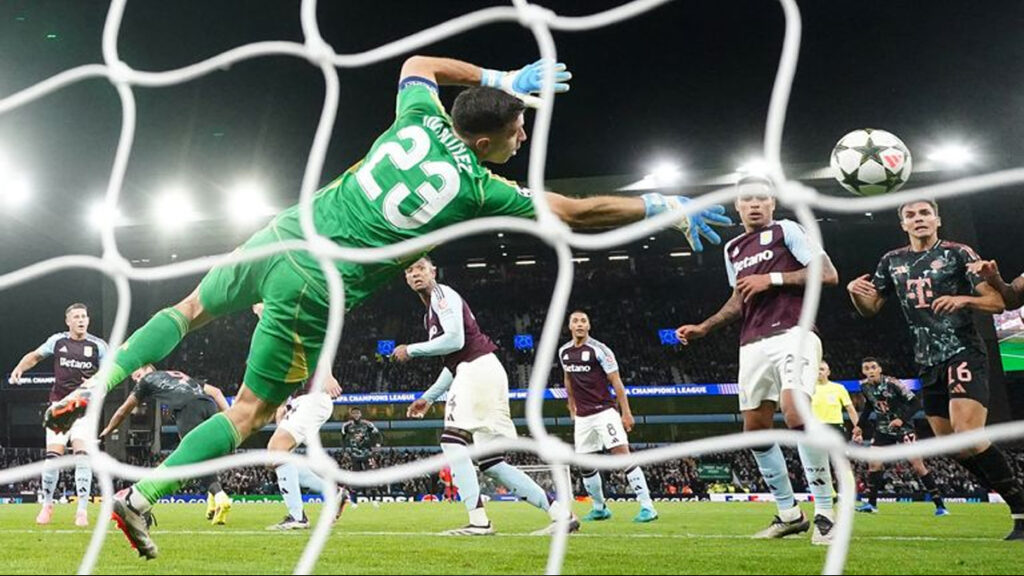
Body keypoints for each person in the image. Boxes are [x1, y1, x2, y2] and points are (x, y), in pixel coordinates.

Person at [45, 55, 730, 559]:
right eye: (519, 130)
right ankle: (140, 498)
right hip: (315, 287)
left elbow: (417, 64)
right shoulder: (482, 189)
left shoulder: (419, 116)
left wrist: (499, 77)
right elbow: (575, 213)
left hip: (282, 233)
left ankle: (101, 383)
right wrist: (657, 207)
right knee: (249, 413)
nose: (523, 138)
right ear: (486, 143)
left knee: (190, 306)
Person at [675, 175, 840, 545]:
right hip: (751, 342)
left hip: (794, 332)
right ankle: (789, 514)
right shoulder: (732, 248)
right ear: (737, 206)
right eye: (747, 199)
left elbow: (828, 274)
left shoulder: (787, 230)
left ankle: (826, 513)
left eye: (761, 199)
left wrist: (773, 279)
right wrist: (705, 327)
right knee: (755, 429)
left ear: (772, 203)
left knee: (796, 413)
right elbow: (739, 298)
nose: (754, 204)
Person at [847, 199, 1023, 540]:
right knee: (950, 445)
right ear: (903, 224)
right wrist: (855, 293)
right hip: (927, 361)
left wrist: (963, 299)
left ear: (937, 219)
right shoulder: (891, 261)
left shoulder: (958, 253)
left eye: (925, 213)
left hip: (963, 352)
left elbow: (998, 302)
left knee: (967, 433)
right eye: (910, 215)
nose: (919, 219)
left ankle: (1020, 507)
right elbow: (870, 309)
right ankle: (1017, 501)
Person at [399, 256, 578, 535]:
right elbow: (454, 362)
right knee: (492, 463)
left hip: (477, 369)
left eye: (421, 268)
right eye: (409, 271)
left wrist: (411, 350)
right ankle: (561, 514)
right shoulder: (430, 312)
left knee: (452, 441)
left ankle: (479, 521)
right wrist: (429, 397)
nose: (415, 274)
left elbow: (455, 340)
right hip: (482, 370)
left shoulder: (442, 295)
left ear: (433, 271)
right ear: (406, 279)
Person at [9, 303, 107, 527]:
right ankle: (47, 505)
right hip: (59, 407)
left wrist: (98, 382)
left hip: (84, 408)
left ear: (88, 320)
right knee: (53, 458)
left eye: (84, 316)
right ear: (68, 321)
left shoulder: (98, 346)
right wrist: (20, 368)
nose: (81, 320)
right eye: (76, 317)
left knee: (82, 456)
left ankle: (82, 510)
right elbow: (35, 356)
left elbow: (111, 370)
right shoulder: (58, 341)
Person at [100, 365, 234, 524]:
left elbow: (124, 410)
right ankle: (212, 501)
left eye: (137, 375)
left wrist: (108, 429)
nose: (137, 380)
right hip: (208, 405)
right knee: (205, 456)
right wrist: (229, 417)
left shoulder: (147, 380)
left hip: (187, 410)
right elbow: (216, 392)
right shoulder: (180, 375)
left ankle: (220, 497)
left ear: (148, 368)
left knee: (194, 458)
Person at [559, 310, 657, 523]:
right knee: (585, 465)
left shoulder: (600, 350)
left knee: (622, 455)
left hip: (604, 412)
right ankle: (599, 507)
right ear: (570, 326)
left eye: (583, 321)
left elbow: (616, 381)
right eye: (575, 321)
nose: (579, 324)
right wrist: (571, 407)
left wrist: (626, 412)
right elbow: (568, 379)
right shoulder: (564, 352)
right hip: (583, 417)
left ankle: (647, 506)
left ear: (589, 326)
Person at [850, 357, 948, 516]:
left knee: (918, 466)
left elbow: (916, 403)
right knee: (874, 463)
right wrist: (859, 426)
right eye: (866, 368)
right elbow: (869, 406)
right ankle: (871, 504)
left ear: (880, 369)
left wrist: (901, 419)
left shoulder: (893, 383)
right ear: (863, 371)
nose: (870, 371)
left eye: (873, 367)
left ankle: (940, 506)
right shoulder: (864, 386)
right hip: (883, 429)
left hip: (904, 429)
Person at [811, 360, 858, 437]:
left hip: (835, 427)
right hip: (814, 427)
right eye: (816, 370)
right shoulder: (808, 389)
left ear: (828, 372)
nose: (819, 372)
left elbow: (850, 409)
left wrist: (857, 428)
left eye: (822, 369)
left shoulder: (839, 388)